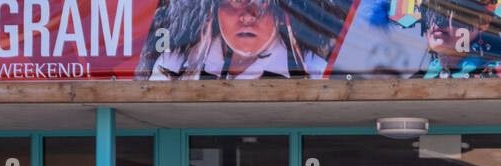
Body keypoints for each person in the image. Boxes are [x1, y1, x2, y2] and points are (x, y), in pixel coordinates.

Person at [139, 0, 346, 80]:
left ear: (279, 12)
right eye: (234, 3)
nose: (247, 16)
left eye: (260, 5)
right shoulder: (173, 65)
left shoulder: (314, 72)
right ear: (214, 9)